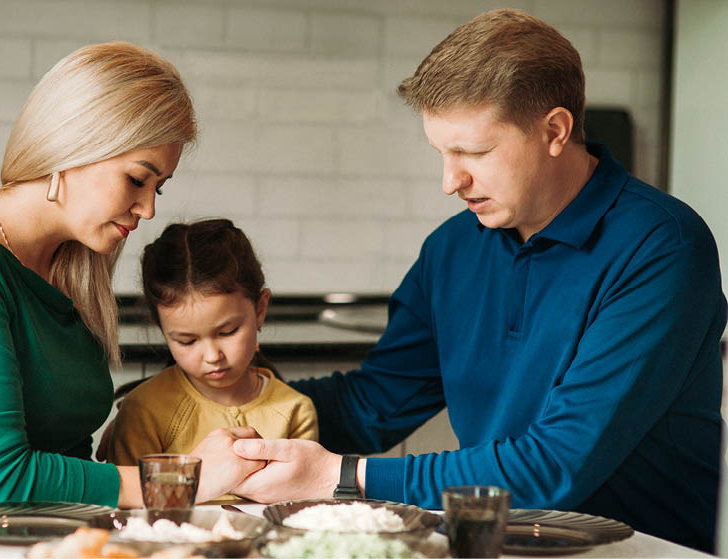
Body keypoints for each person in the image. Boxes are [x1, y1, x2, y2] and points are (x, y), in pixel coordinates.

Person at [230, 8, 727, 553]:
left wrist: (340, 476)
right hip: (485, 544)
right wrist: (217, 406)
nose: (450, 181)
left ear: (555, 131)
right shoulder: (453, 248)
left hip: (634, 553)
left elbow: (555, 466)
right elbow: (374, 404)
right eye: (443, 153)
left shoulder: (661, 246)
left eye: (474, 152)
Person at [0, 41, 263, 512]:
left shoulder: (71, 269)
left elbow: (65, 455)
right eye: (136, 179)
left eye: (158, 188)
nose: (148, 209)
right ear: (73, 145)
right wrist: (184, 478)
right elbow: (2, 480)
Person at [104, 219, 318, 501]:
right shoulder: (143, 411)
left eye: (228, 332)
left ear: (260, 309)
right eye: (187, 341)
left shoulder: (295, 411)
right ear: (161, 328)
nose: (212, 356)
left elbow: (296, 509)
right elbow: (132, 511)